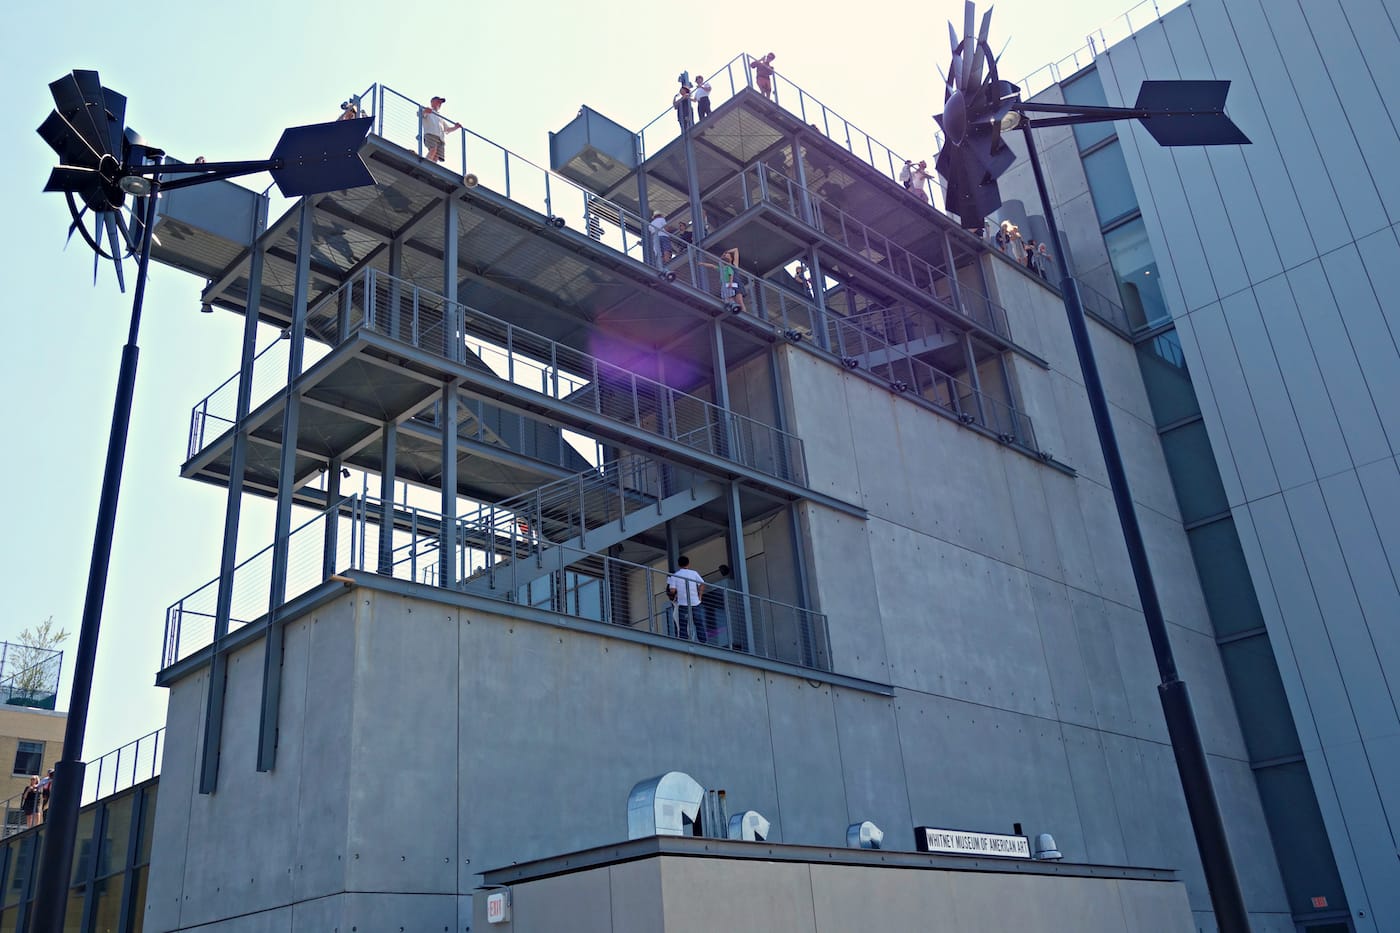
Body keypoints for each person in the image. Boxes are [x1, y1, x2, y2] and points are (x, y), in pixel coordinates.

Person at [666, 556, 706, 641]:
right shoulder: (694, 573)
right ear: (688, 563)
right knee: (699, 624)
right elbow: (702, 584)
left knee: (683, 625)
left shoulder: (675, 576)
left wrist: (678, 589)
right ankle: (703, 642)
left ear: (679, 564)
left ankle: (684, 642)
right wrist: (700, 597)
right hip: (695, 603)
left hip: (683, 604)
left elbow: (672, 591)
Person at [701, 247, 746, 313]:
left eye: (727, 255)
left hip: (737, 284)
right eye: (725, 255)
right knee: (732, 301)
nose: (726, 255)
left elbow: (736, 250)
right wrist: (703, 264)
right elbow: (713, 266)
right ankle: (737, 313)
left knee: (739, 301)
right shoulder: (723, 268)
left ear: (731, 257)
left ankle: (744, 314)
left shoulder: (734, 264)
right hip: (729, 285)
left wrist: (726, 252)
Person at [420, 96, 461, 163]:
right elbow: (420, 114)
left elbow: (447, 129)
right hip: (430, 134)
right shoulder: (427, 110)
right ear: (432, 102)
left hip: (440, 138)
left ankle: (431, 169)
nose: (440, 103)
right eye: (438, 101)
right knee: (433, 150)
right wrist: (425, 111)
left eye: (440, 102)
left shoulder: (440, 116)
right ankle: (425, 164)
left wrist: (455, 127)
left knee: (436, 156)